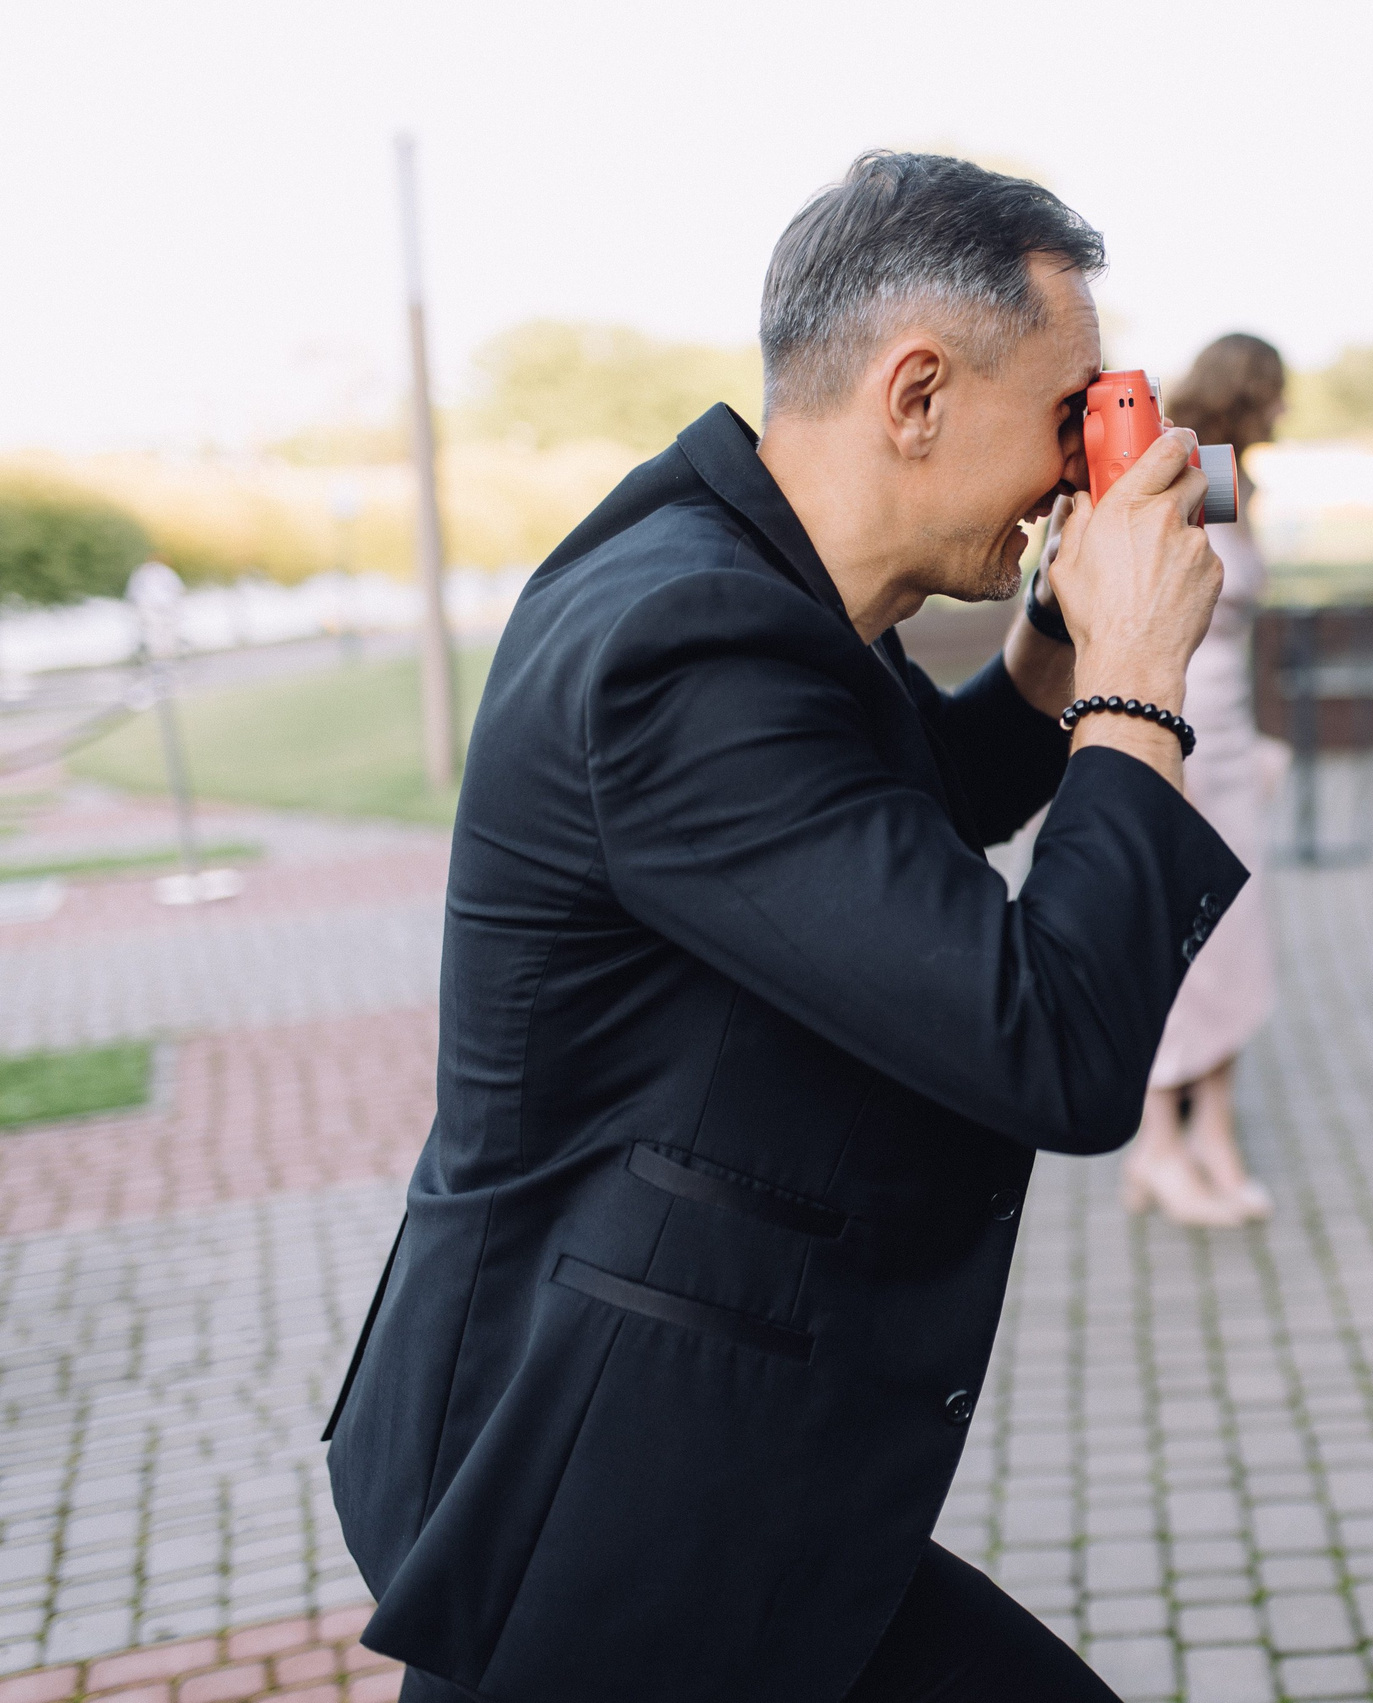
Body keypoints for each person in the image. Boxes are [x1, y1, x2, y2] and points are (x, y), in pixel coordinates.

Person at [325, 152, 1246, 1703]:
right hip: (594, 1493)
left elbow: (922, 797)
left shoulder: (752, 573)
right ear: (916, 393)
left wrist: (1056, 628)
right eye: (1067, 410)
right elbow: (1058, 1046)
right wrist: (1137, 680)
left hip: (695, 1453)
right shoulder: (690, 643)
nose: (1074, 467)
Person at [1120, 333, 1291, 1227]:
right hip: (1171, 719)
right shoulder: (1175, 466)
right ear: (1251, 393)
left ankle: (1215, 1129)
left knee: (1232, 938)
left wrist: (1262, 740)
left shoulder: (1244, 482)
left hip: (1230, 734)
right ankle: (1157, 1144)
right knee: (1163, 938)